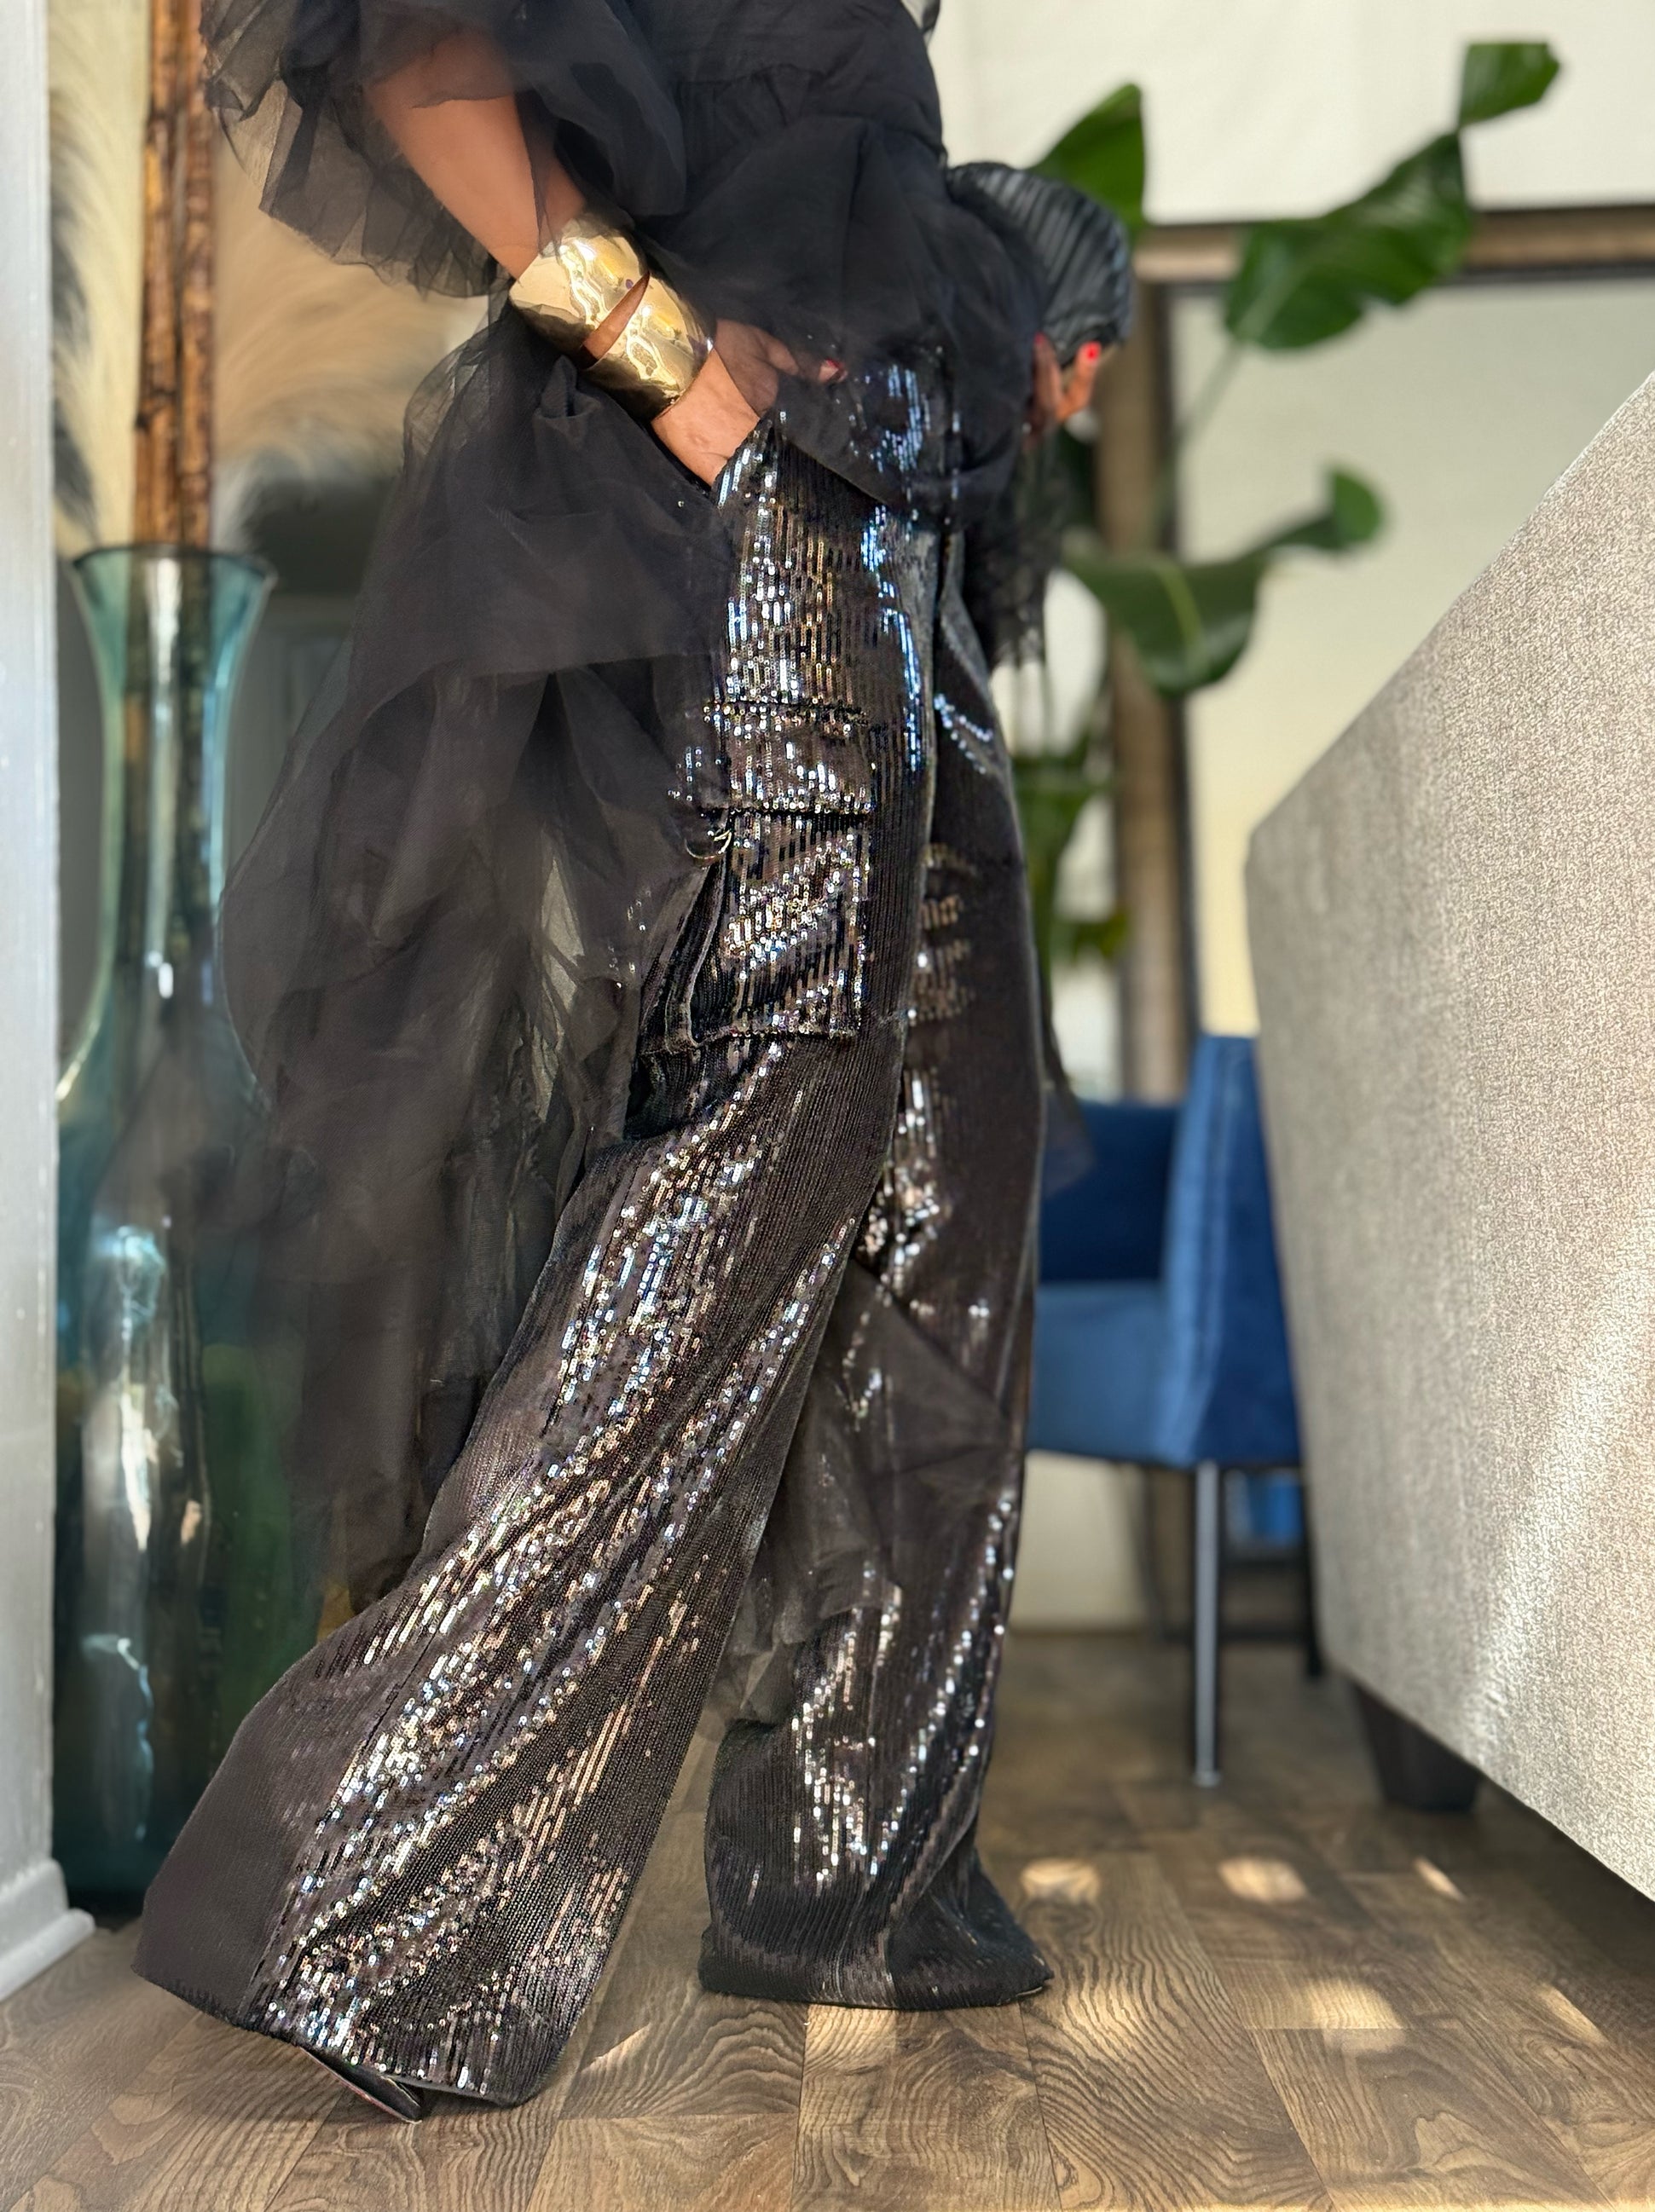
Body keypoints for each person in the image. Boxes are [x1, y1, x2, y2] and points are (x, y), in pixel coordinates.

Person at [133, 0, 1132, 2120]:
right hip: (770, 499)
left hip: (898, 514)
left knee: (944, 1189)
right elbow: (412, 52)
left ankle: (855, 1866)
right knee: (753, 1155)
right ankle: (369, 1885)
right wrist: (678, 376)